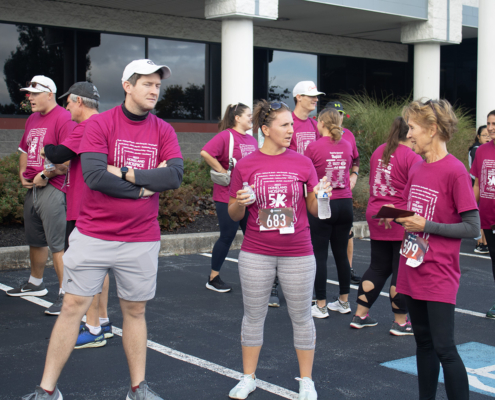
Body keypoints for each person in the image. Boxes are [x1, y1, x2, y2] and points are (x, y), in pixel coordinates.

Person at [23, 59, 184, 400]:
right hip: (93, 234)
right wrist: (143, 188)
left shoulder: (163, 130)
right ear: (128, 86)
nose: (154, 90)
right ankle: (46, 391)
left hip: (141, 238)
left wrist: (124, 172)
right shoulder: (100, 124)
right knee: (72, 308)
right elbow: (95, 177)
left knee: (135, 311)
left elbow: (174, 176)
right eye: (147, 84)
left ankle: (138, 389)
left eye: (157, 85)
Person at [227, 100, 331, 400]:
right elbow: (233, 214)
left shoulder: (303, 163)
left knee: (302, 317)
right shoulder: (246, 165)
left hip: (298, 252)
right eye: (284, 125)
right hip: (256, 251)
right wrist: (240, 203)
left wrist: (322, 195)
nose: (290, 130)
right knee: (253, 316)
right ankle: (248, 378)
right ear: (265, 129)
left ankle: (307, 381)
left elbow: (315, 210)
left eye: (291, 125)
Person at [388, 99, 479, 400]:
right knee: (423, 343)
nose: (408, 134)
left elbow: (472, 227)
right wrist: (395, 215)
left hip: (439, 272)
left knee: (444, 348)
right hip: (412, 265)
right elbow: (411, 210)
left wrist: (427, 225)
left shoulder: (455, 171)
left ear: (432, 129)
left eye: (413, 128)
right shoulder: (417, 167)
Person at [42, 81, 113, 347]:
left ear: (79, 101)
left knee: (87, 270)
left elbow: (58, 153)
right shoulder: (106, 124)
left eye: (68, 102)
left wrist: (46, 148)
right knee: (99, 268)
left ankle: (93, 329)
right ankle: (102, 321)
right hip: (96, 206)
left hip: (84, 209)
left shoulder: (86, 126)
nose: (66, 107)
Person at [7, 76, 77, 314]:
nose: (30, 98)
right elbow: (24, 150)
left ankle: (66, 294)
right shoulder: (32, 119)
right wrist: (22, 174)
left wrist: (45, 175)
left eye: (35, 94)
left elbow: (68, 158)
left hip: (54, 187)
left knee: (58, 245)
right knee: (35, 239)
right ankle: (35, 283)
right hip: (34, 188)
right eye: (29, 94)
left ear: (49, 94)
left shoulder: (64, 118)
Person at [351, 117, 421, 334]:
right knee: (402, 271)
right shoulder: (412, 157)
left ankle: (360, 315)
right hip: (400, 216)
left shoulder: (379, 151)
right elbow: (416, 192)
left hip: (377, 213)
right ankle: (400, 322)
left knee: (378, 267)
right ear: (409, 132)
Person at [269, 80, 323, 308]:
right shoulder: (284, 121)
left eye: (317, 96)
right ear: (298, 97)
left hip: (307, 191)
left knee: (306, 237)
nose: (316, 100)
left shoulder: (314, 125)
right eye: (311, 96)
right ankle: (272, 286)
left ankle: (305, 287)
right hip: (283, 189)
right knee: (276, 235)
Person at [200, 103, 257, 292]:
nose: (251, 118)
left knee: (254, 236)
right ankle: (213, 278)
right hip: (227, 196)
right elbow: (205, 152)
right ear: (237, 118)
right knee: (227, 236)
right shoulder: (226, 136)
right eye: (248, 115)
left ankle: (256, 275)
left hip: (249, 196)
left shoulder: (252, 139)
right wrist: (222, 170)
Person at [305, 108, 354, 318]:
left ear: (322, 123)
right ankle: (344, 301)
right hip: (345, 203)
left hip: (324, 202)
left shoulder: (313, 147)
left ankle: (321, 305)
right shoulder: (347, 144)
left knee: (320, 255)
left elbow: (307, 175)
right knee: (341, 253)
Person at [324, 101, 361, 284]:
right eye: (335, 113)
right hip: (323, 195)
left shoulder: (349, 135)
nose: (339, 116)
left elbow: (356, 160)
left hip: (344, 194)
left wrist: (354, 175)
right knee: (321, 238)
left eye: (341, 113)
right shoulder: (320, 134)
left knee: (348, 234)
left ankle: (349, 268)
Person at [470, 110, 495, 319]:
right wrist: (470, 209)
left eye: (494, 123)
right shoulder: (482, 151)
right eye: (489, 124)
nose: (491, 127)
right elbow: (477, 184)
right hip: (487, 218)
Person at [469, 124, 490, 254]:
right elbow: (476, 174)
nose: (488, 137)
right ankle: (480, 243)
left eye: (488, 135)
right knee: (479, 214)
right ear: (478, 136)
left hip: (483, 185)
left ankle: (484, 242)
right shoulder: (477, 150)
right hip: (476, 183)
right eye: (484, 135)